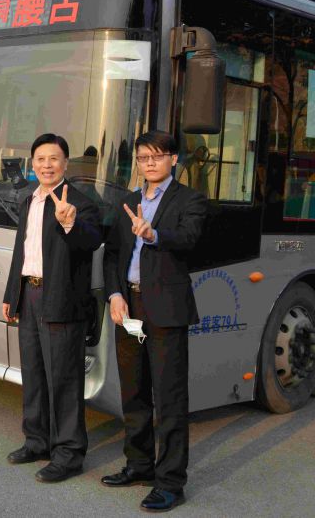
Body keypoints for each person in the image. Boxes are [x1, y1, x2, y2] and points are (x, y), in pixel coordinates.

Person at [101, 130, 207, 513]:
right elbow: (113, 255)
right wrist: (114, 295)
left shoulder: (189, 199)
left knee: (169, 398)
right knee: (134, 392)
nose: (150, 163)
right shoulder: (128, 201)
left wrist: (153, 233)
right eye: (144, 157)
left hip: (165, 310)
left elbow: (190, 238)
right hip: (129, 308)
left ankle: (171, 482)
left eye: (158, 156)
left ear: (173, 159)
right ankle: (139, 465)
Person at [2, 133, 102, 483]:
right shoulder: (29, 200)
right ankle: (37, 441)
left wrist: (69, 222)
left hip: (61, 298)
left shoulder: (81, 202)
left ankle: (69, 454)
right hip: (29, 295)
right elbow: (22, 251)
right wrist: (11, 294)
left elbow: (92, 241)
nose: (47, 165)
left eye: (54, 159)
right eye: (41, 159)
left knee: (64, 380)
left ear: (65, 163)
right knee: (33, 374)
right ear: (32, 164)